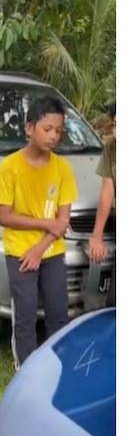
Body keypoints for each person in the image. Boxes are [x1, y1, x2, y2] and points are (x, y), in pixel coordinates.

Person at [0, 96, 78, 369]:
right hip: (19, 252)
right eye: (47, 129)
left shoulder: (62, 168)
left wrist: (41, 247)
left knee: (58, 313)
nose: (54, 136)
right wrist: (44, 225)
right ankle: (25, 370)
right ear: (29, 128)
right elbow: (4, 216)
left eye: (59, 131)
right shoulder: (10, 168)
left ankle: (56, 366)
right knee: (25, 315)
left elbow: (62, 221)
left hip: (50, 251)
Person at [89, 100, 115, 308]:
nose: (115, 130)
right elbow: (107, 190)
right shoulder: (112, 148)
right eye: (114, 123)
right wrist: (97, 236)